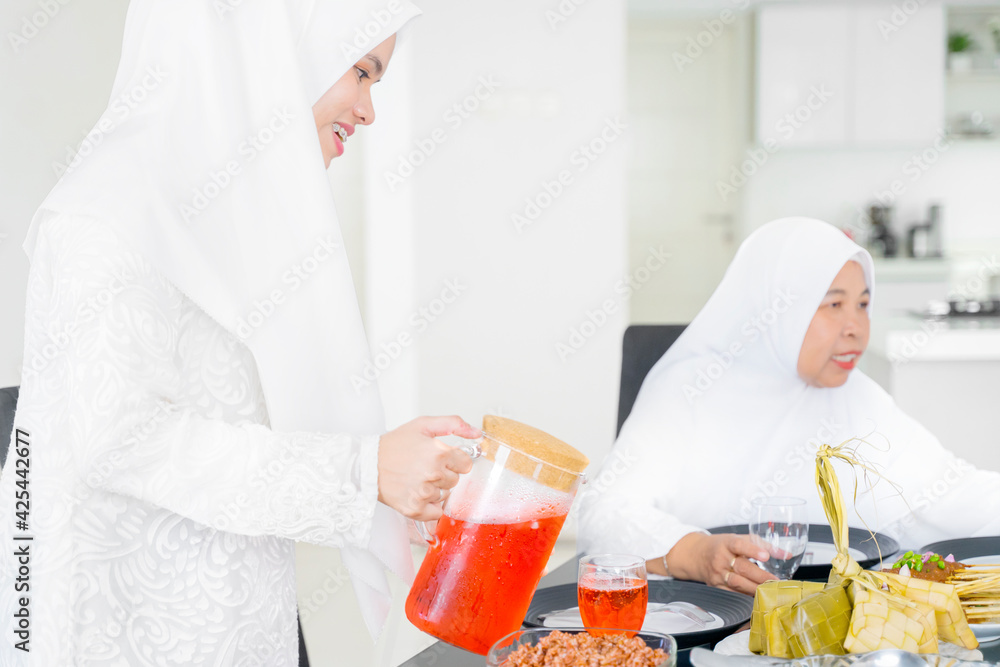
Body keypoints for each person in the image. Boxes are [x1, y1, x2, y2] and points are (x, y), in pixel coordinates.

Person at [0, 1, 477, 664]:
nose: (368, 110)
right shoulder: (107, 209)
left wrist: (391, 478)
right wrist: (362, 469)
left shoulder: (227, 220)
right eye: (362, 73)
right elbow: (119, 440)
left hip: (243, 621)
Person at [578, 217, 1000, 596]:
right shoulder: (691, 389)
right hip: (704, 621)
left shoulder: (857, 395)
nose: (856, 327)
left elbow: (951, 493)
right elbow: (604, 511)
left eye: (863, 304)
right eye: (833, 304)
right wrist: (695, 551)